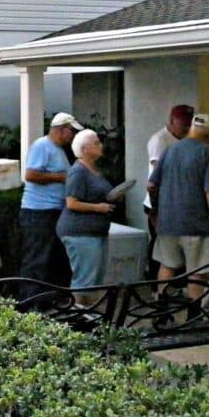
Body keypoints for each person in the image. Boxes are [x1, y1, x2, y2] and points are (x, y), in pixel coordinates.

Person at [147, 113, 209, 315]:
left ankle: (162, 312)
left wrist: (156, 210)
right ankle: (193, 315)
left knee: (167, 265)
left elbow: (151, 184)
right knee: (198, 272)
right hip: (197, 224)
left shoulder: (170, 150)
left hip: (167, 223)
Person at [18, 112, 82, 294]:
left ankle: (47, 298)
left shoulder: (59, 149)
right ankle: (30, 301)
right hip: (39, 211)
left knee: (52, 258)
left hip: (54, 210)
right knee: (36, 257)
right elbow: (30, 175)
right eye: (72, 131)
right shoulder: (42, 146)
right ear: (62, 130)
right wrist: (61, 177)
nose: (73, 136)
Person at [56, 129, 123, 291]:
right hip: (80, 232)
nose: (100, 146)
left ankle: (90, 313)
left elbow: (97, 194)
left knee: (96, 278)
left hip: (95, 231)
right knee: (85, 279)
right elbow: (71, 202)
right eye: (96, 143)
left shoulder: (94, 170)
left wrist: (114, 197)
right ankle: (79, 313)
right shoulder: (78, 171)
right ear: (84, 149)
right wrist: (98, 208)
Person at [144, 104, 194, 278]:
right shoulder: (160, 140)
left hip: (179, 203)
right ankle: (154, 285)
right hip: (160, 201)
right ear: (172, 121)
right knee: (162, 246)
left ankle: (176, 283)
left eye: (189, 125)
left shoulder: (188, 140)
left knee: (178, 247)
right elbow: (156, 177)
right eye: (183, 125)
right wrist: (157, 208)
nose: (186, 129)